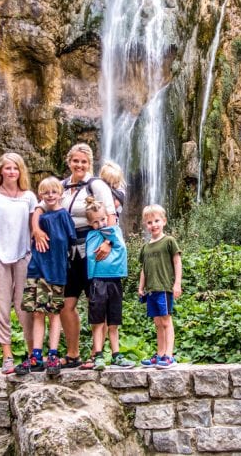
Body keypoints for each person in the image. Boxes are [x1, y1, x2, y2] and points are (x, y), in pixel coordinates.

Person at [0, 152, 36, 374]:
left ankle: (33, 354)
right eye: (8, 168)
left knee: (25, 307)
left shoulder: (29, 197)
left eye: (16, 168)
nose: (12, 172)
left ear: (21, 171)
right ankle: (7, 355)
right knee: (1, 306)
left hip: (23, 256)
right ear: (1, 170)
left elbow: (35, 226)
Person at [59, 143, 117, 368]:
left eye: (83, 161)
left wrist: (108, 242)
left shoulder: (97, 185)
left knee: (96, 301)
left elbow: (111, 215)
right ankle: (73, 353)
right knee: (66, 303)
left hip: (93, 248)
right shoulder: (62, 186)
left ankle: (97, 353)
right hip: (68, 250)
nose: (79, 165)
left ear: (89, 163)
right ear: (69, 161)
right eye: (76, 161)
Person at [15, 176, 77, 377]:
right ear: (40, 195)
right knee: (38, 313)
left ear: (61, 194)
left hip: (57, 272)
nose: (50, 195)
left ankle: (52, 354)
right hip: (37, 269)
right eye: (46, 192)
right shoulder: (38, 218)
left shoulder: (64, 216)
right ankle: (36, 355)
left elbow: (70, 243)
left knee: (54, 313)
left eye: (54, 192)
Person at [80, 197, 136, 370]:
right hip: (98, 281)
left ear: (108, 217)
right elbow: (93, 255)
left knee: (114, 321)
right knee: (98, 320)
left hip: (115, 280)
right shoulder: (92, 235)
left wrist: (108, 239)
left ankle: (116, 354)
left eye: (103, 219)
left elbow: (121, 249)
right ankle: (98, 355)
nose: (101, 224)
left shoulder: (115, 231)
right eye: (95, 222)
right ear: (90, 223)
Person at [137, 204, 182, 368]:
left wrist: (177, 284)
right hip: (151, 290)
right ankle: (160, 354)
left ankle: (169, 356)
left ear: (164, 221)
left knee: (166, 321)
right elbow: (144, 269)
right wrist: (141, 287)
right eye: (149, 222)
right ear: (145, 225)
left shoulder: (169, 241)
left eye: (156, 220)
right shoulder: (146, 246)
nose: (153, 225)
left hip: (164, 288)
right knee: (157, 323)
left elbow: (177, 262)